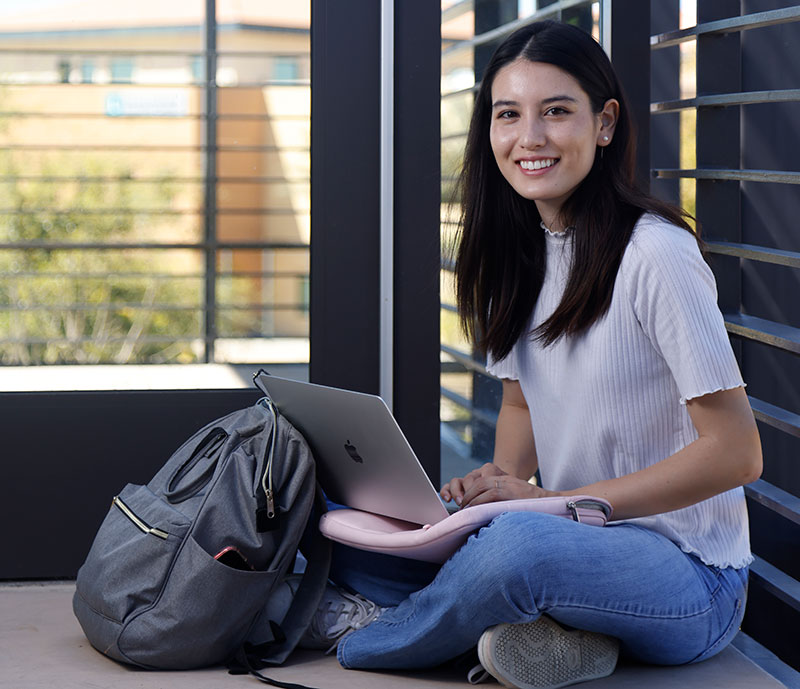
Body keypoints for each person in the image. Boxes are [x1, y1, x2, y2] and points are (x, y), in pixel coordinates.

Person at [300, 20, 762, 689]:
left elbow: (736, 452)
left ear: (604, 124)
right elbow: (521, 397)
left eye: (556, 112)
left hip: (691, 575)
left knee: (516, 548)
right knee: (336, 515)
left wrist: (550, 504)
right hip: (573, 540)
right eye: (508, 114)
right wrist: (497, 482)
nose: (530, 138)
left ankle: (376, 635)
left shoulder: (655, 254)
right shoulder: (518, 251)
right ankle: (554, 637)